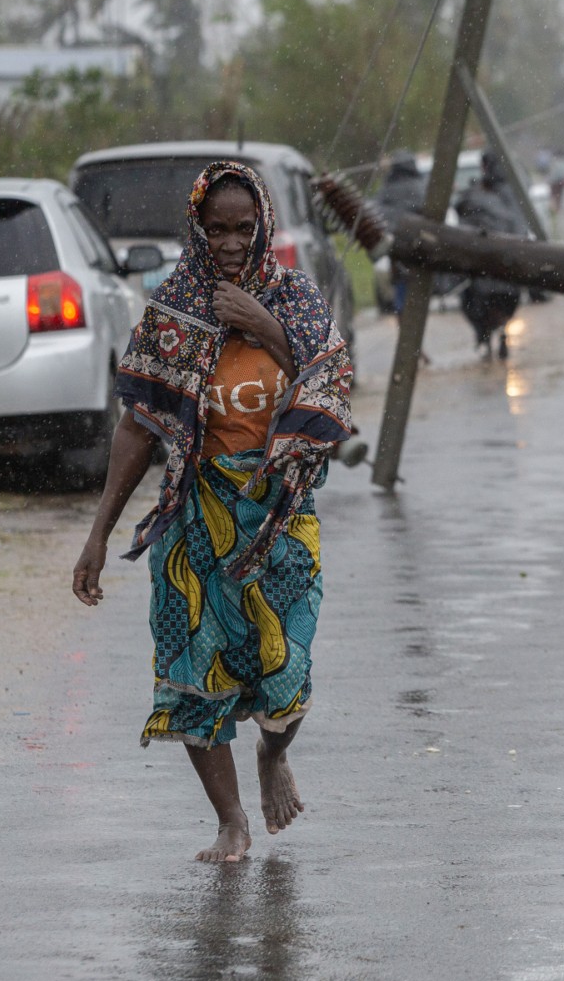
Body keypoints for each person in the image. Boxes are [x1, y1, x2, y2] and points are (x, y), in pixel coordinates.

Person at [72, 161, 354, 864]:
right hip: (196, 514)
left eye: (244, 228)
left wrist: (265, 330)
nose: (231, 242)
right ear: (197, 228)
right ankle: (231, 820)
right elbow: (139, 426)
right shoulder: (174, 309)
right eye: (217, 229)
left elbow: (333, 379)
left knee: (284, 675)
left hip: (280, 515)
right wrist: (99, 535)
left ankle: (273, 754)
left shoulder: (292, 298)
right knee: (194, 672)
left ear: (263, 227)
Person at [455, 153, 530, 360]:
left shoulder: (477, 195)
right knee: (501, 304)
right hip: (509, 275)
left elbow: (464, 228)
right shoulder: (516, 193)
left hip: (485, 278)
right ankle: (497, 332)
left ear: (485, 167)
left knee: (471, 301)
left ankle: (484, 336)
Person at [375, 151, 426, 314]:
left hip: (395, 247)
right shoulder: (421, 187)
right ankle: (414, 310)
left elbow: (378, 214)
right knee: (417, 279)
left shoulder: (387, 189)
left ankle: (401, 309)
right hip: (418, 246)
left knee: (401, 283)